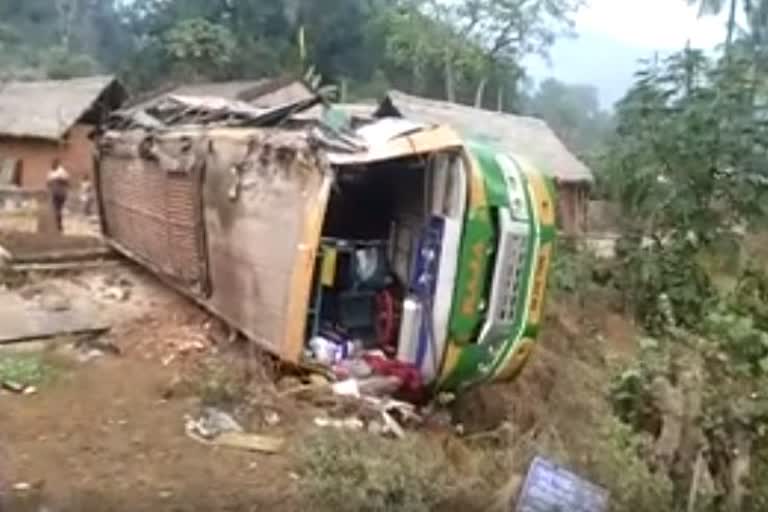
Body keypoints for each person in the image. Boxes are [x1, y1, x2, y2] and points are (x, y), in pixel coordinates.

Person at [46, 158, 70, 232]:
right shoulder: (56, 172)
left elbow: (66, 182)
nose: (52, 165)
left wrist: (55, 183)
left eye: (53, 164)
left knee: (57, 209)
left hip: (58, 193)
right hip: (58, 192)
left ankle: (58, 225)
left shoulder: (59, 171)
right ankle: (58, 225)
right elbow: (67, 182)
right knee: (58, 209)